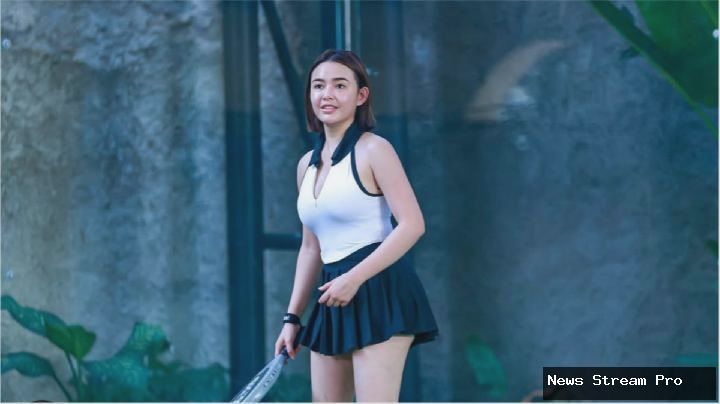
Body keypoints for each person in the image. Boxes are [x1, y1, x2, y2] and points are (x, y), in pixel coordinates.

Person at [274, 49, 439, 402]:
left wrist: (354, 278)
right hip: (332, 293)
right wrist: (292, 318)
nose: (327, 94)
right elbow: (311, 248)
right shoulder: (306, 166)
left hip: (379, 289)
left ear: (361, 95)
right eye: (318, 86)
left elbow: (412, 224)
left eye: (340, 85)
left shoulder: (375, 149)